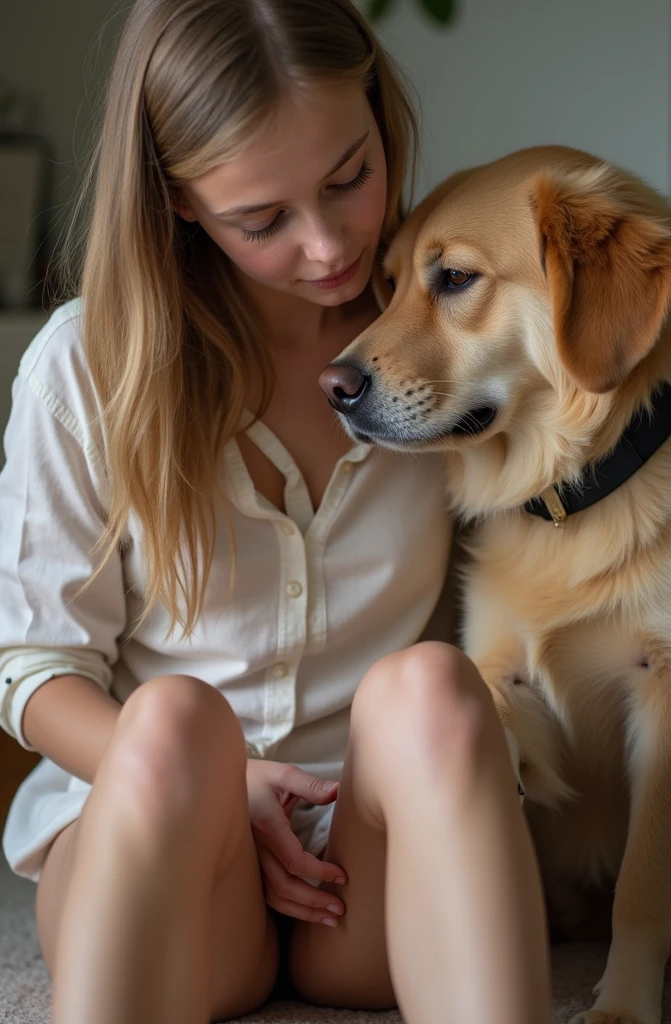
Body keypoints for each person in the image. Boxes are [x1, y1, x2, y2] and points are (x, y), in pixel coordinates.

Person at [0, 1, 551, 1021]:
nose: (329, 241)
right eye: (263, 219)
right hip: (171, 861)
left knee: (432, 686)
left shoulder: (451, 336)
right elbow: (32, 672)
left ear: (381, 118)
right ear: (178, 203)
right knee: (171, 724)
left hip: (365, 874)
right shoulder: (84, 367)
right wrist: (228, 781)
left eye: (349, 175)